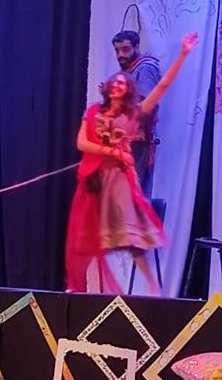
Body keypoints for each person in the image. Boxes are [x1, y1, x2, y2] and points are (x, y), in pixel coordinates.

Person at [66, 32, 198, 295]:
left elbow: (161, 88)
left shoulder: (134, 114)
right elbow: (81, 143)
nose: (118, 83)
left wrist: (183, 54)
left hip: (118, 180)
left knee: (132, 236)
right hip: (94, 179)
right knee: (85, 235)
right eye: (114, 81)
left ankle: (153, 289)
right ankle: (77, 288)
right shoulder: (93, 112)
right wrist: (110, 151)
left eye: (122, 83)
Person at [110, 31, 162, 195]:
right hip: (125, 139)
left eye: (125, 49)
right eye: (117, 51)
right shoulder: (128, 70)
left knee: (134, 193)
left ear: (137, 47)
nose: (120, 55)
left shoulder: (145, 69)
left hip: (138, 139)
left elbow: (144, 107)